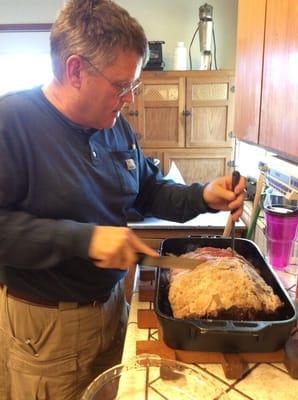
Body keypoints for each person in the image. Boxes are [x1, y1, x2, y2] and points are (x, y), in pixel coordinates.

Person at [0, 0, 246, 399]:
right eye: (121, 85)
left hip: (114, 308)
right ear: (75, 69)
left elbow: (148, 190)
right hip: (47, 330)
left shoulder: (114, 126)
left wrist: (202, 196)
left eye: (132, 86)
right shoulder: (13, 121)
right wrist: (85, 239)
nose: (129, 98)